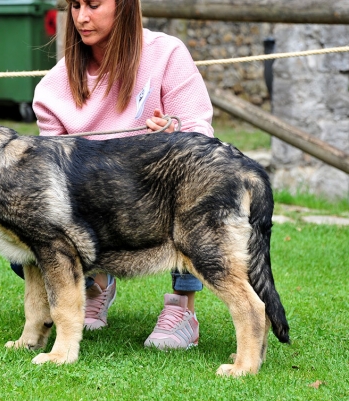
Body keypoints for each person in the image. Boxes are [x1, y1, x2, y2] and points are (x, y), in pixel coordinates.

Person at [12, 0, 214, 350]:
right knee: (30, 226)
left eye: (94, 4)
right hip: (92, 204)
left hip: (156, 193)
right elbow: (52, 176)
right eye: (75, 6)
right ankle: (92, 286)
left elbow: (202, 135)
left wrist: (174, 132)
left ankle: (183, 309)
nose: (82, 17)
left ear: (123, 6)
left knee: (194, 182)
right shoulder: (51, 89)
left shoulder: (167, 54)